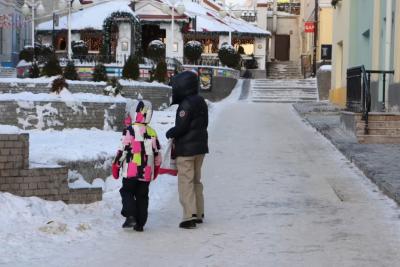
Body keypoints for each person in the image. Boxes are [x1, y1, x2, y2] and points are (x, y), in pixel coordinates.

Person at [166, 71, 209, 229]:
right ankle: (199, 212)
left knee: (186, 181)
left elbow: (182, 127)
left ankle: (188, 216)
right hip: (200, 148)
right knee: (196, 180)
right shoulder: (201, 101)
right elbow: (204, 124)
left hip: (186, 150)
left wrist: (171, 132)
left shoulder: (186, 104)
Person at [112, 100, 161, 232]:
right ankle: (140, 224)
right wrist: (156, 168)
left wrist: (116, 165)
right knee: (142, 196)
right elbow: (157, 153)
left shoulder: (129, 130)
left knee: (126, 192)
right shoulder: (152, 132)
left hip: (131, 170)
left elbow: (123, 150)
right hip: (146, 172)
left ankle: (131, 215)